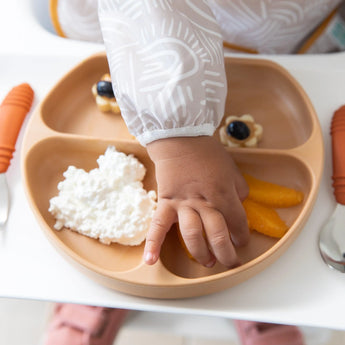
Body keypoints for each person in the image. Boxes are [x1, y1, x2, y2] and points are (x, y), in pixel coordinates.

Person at [44, 0, 342, 344]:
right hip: (141, 37)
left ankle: (255, 299)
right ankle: (98, 289)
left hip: (282, 28)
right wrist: (179, 139)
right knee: (116, 129)